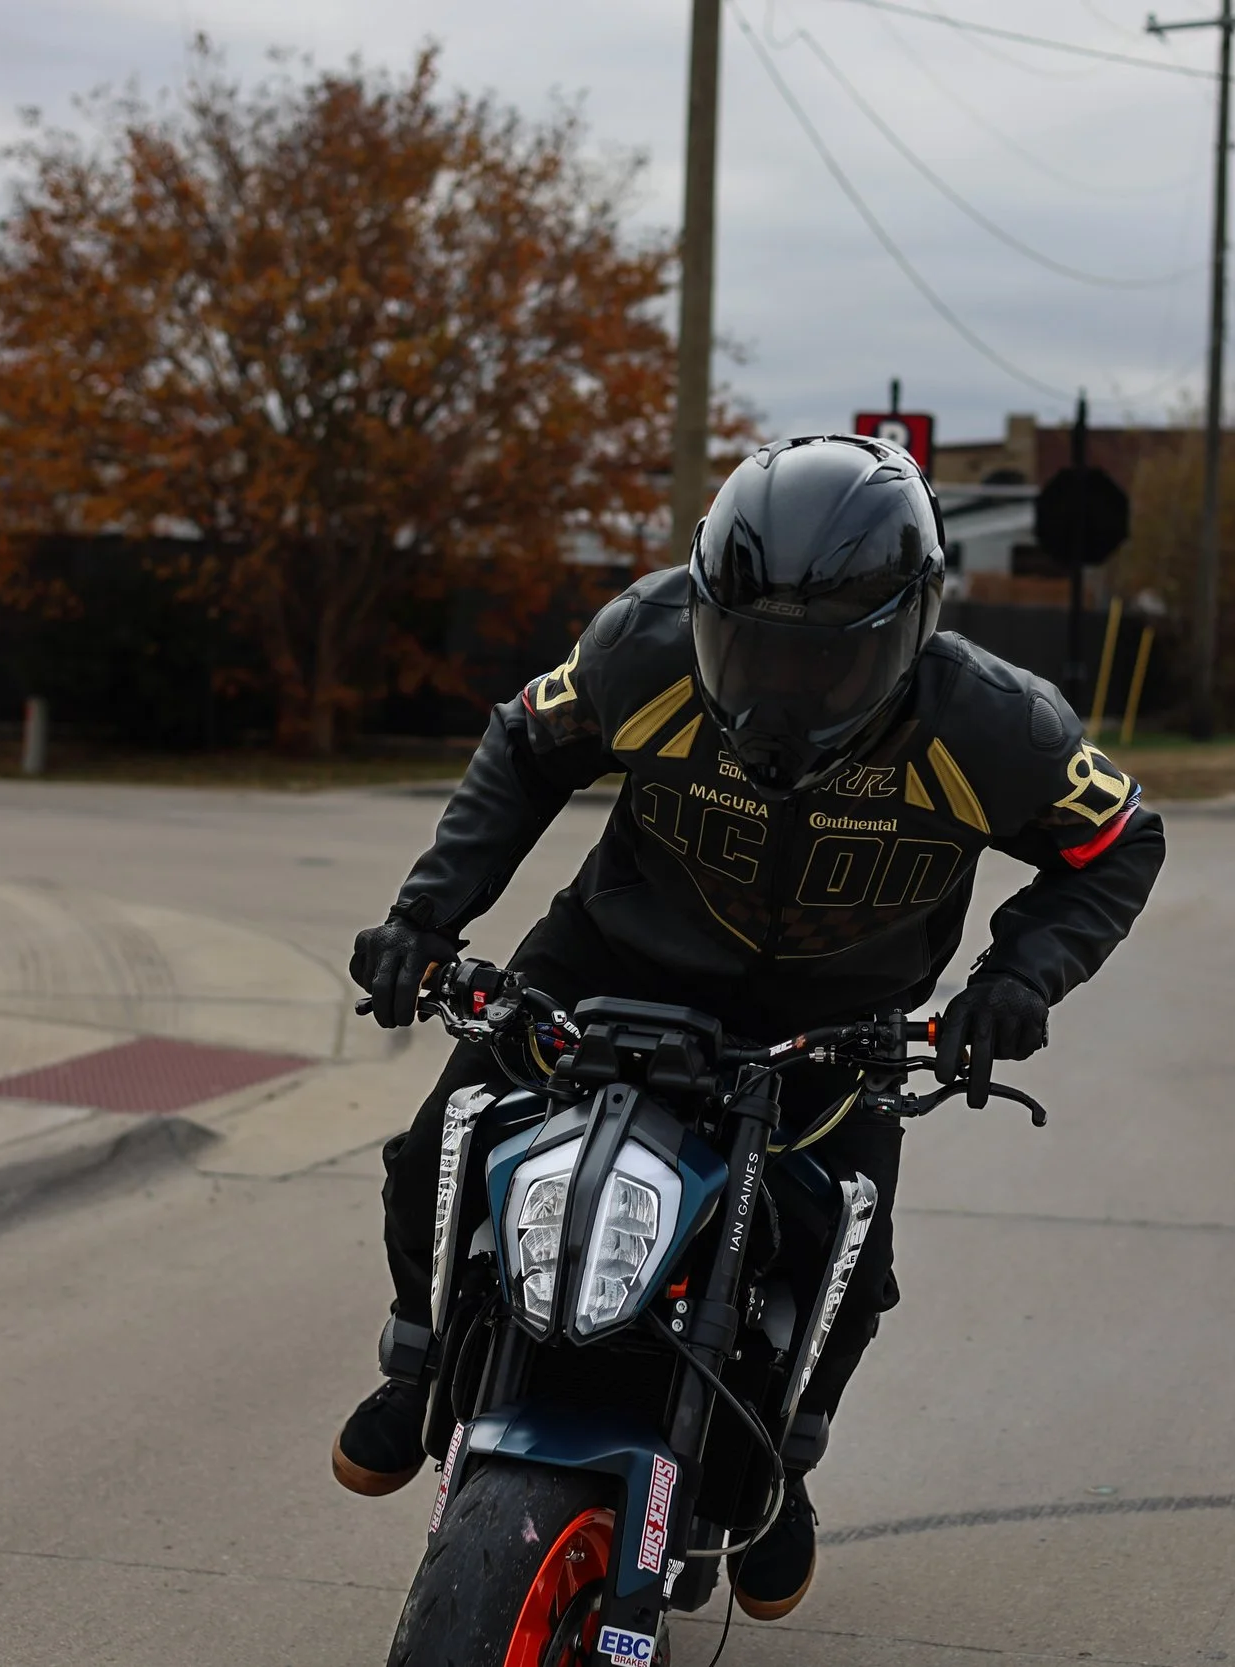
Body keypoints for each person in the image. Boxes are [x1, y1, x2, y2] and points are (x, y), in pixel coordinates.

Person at [336, 433, 1164, 1621]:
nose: (778, 687)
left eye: (822, 663)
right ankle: (418, 1353)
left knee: (849, 1258)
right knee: (438, 1145)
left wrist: (1015, 977)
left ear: (911, 628)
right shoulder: (639, 641)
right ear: (705, 602)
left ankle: (782, 1468)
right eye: (751, 644)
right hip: (611, 957)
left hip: (841, 1015)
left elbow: (1118, 841)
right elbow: (523, 747)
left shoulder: (995, 725)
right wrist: (424, 919)